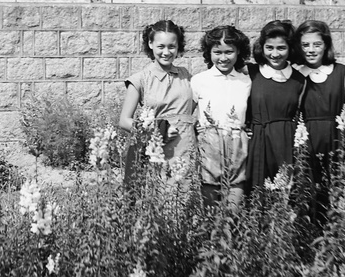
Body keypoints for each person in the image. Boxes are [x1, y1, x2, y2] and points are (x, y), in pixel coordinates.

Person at [294, 20, 345, 222]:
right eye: (305, 45)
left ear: (326, 45)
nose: (311, 50)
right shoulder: (296, 74)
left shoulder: (342, 72)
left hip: (336, 146)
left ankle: (332, 249)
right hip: (305, 148)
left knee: (334, 204)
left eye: (317, 44)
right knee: (307, 205)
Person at [119, 20, 196, 186]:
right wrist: (158, 131)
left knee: (184, 200)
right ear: (150, 44)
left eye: (172, 47)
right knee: (159, 196)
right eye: (161, 46)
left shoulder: (185, 76)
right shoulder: (140, 79)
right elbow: (124, 121)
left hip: (185, 150)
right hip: (156, 149)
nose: (166, 52)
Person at [191, 25, 251, 207]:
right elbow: (186, 114)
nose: (223, 58)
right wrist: (196, 128)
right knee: (209, 210)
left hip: (237, 146)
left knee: (233, 210)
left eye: (229, 52)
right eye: (217, 52)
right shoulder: (199, 81)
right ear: (209, 53)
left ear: (238, 51)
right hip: (209, 147)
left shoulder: (246, 81)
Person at [246, 20, 306, 190]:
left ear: (291, 48)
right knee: (255, 194)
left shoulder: (299, 80)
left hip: (285, 142)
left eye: (281, 48)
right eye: (269, 48)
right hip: (256, 140)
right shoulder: (251, 72)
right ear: (262, 47)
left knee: (282, 193)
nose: (275, 54)